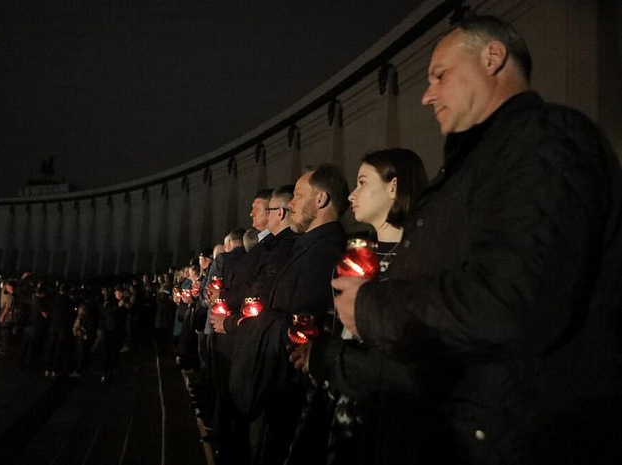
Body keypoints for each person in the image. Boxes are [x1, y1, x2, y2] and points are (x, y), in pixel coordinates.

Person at [333, 15, 622, 464]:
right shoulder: (472, 170)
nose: (427, 95)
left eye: (439, 75)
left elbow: (511, 302)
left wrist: (369, 307)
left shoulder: (545, 141)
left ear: (493, 58)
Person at [289, 149, 428, 465]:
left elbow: (402, 361)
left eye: (363, 183)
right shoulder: (359, 255)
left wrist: (329, 356)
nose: (352, 195)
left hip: (384, 422)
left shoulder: (419, 264)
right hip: (340, 405)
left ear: (394, 187)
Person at [241, 164, 349, 465]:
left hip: (293, 390)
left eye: (298, 195)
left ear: (321, 200)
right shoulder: (308, 246)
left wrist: (259, 322)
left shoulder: (325, 251)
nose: (290, 204)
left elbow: (304, 324)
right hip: (283, 385)